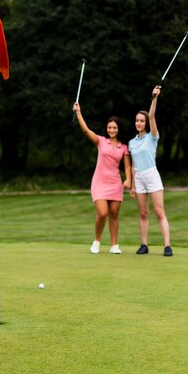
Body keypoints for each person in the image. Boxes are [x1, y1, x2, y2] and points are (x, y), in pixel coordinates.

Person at [73, 102, 132, 254]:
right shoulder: (100, 141)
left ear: (118, 129)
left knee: (114, 214)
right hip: (99, 183)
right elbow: (86, 130)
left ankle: (114, 245)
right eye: (109, 127)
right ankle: (97, 241)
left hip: (115, 184)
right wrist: (78, 113)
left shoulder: (123, 147)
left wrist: (128, 180)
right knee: (102, 213)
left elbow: (127, 166)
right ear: (106, 128)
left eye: (114, 127)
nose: (111, 130)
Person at [129, 85, 173, 256]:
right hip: (138, 176)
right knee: (143, 212)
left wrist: (154, 98)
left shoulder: (152, 137)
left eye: (142, 120)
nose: (139, 123)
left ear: (146, 123)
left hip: (152, 174)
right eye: (137, 120)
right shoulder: (132, 142)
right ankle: (144, 244)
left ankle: (167, 245)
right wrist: (132, 184)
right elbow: (133, 165)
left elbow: (152, 115)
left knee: (159, 211)